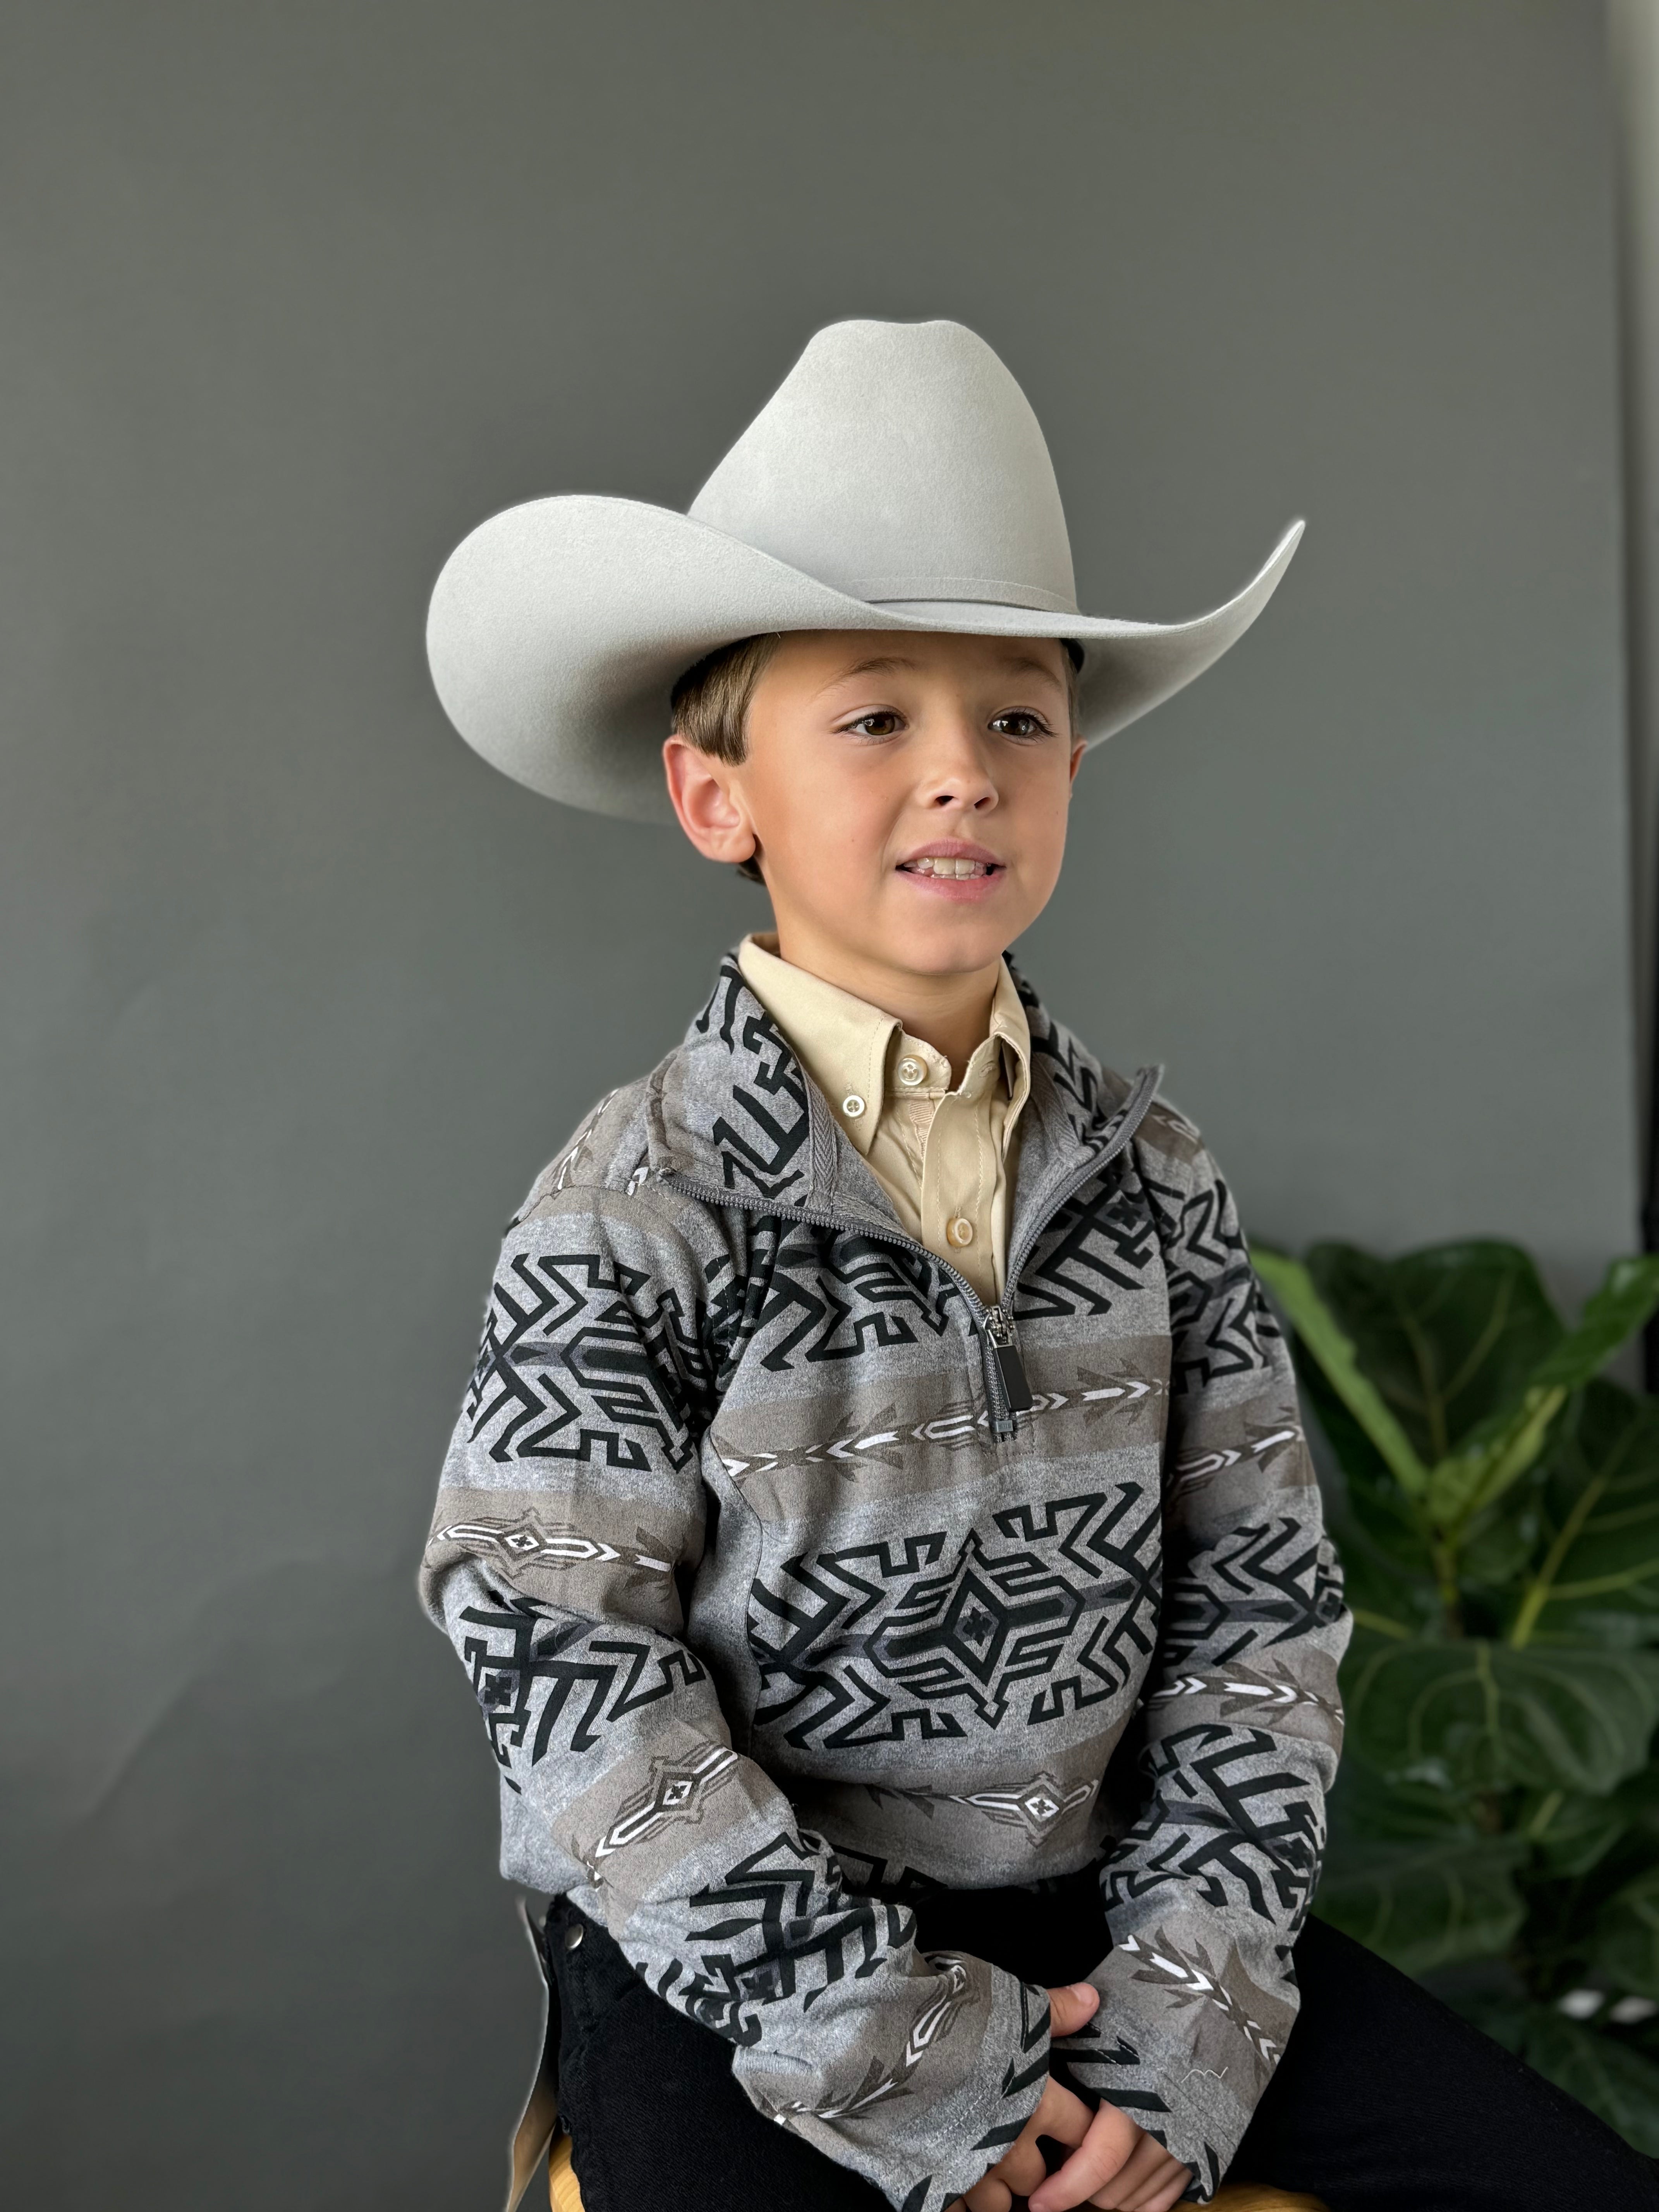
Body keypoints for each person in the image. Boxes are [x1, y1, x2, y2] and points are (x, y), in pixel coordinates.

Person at [418, 321, 1659, 2212]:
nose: (962, 776)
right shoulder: (635, 1200)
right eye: (873, 717)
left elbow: (1263, 1620)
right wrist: (906, 2063)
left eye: (1015, 718)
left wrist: (1182, 2032)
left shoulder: (1151, 1176)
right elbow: (569, 1668)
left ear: (1072, 763)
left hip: (1108, 1917)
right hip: (737, 1964)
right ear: (713, 799)